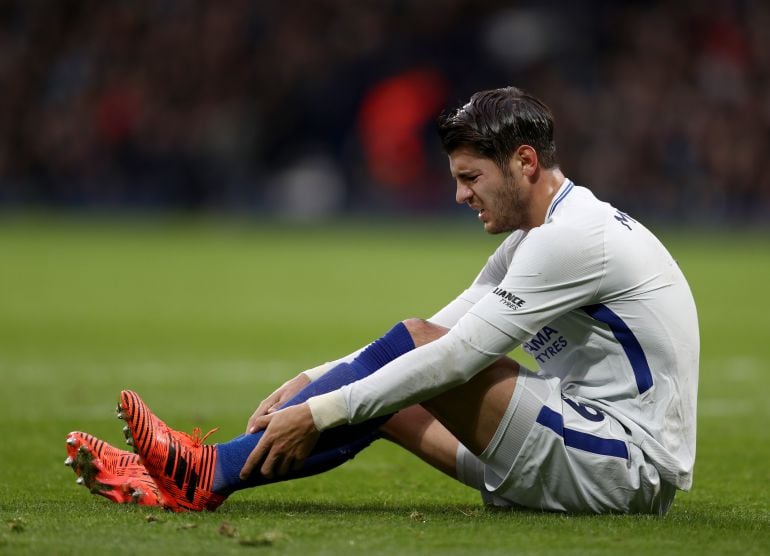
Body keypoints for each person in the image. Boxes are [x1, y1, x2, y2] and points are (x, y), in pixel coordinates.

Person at [65, 86, 699, 514]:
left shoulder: (570, 240)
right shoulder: (540, 237)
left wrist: (319, 412)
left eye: (470, 178)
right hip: (583, 440)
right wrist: (315, 380)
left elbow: (451, 357)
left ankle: (205, 472)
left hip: (625, 465)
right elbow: (438, 330)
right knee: (389, 394)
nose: (461, 197)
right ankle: (180, 479)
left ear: (525, 162)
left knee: (408, 369)